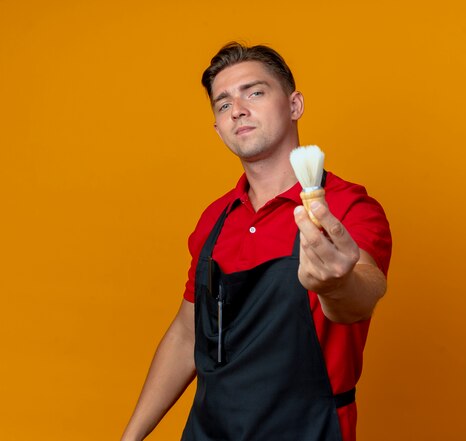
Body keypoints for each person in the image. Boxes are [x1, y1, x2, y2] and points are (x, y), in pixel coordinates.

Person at [121, 42, 392, 441]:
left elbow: (364, 293)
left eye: (255, 92)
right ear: (218, 127)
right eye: (223, 104)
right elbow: (186, 333)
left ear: (295, 104)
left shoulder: (346, 206)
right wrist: (130, 437)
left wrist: (337, 285)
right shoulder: (215, 218)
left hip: (307, 430)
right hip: (210, 430)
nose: (238, 109)